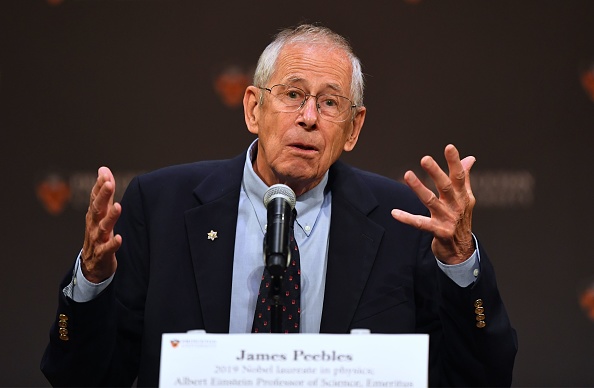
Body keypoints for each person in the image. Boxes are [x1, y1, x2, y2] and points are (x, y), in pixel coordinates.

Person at [41, 24, 517, 386]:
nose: (309, 118)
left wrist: (460, 265)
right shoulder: (160, 204)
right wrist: (91, 283)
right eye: (292, 95)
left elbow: (483, 377)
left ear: (353, 128)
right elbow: (80, 378)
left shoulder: (404, 223)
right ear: (253, 108)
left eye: (330, 103)